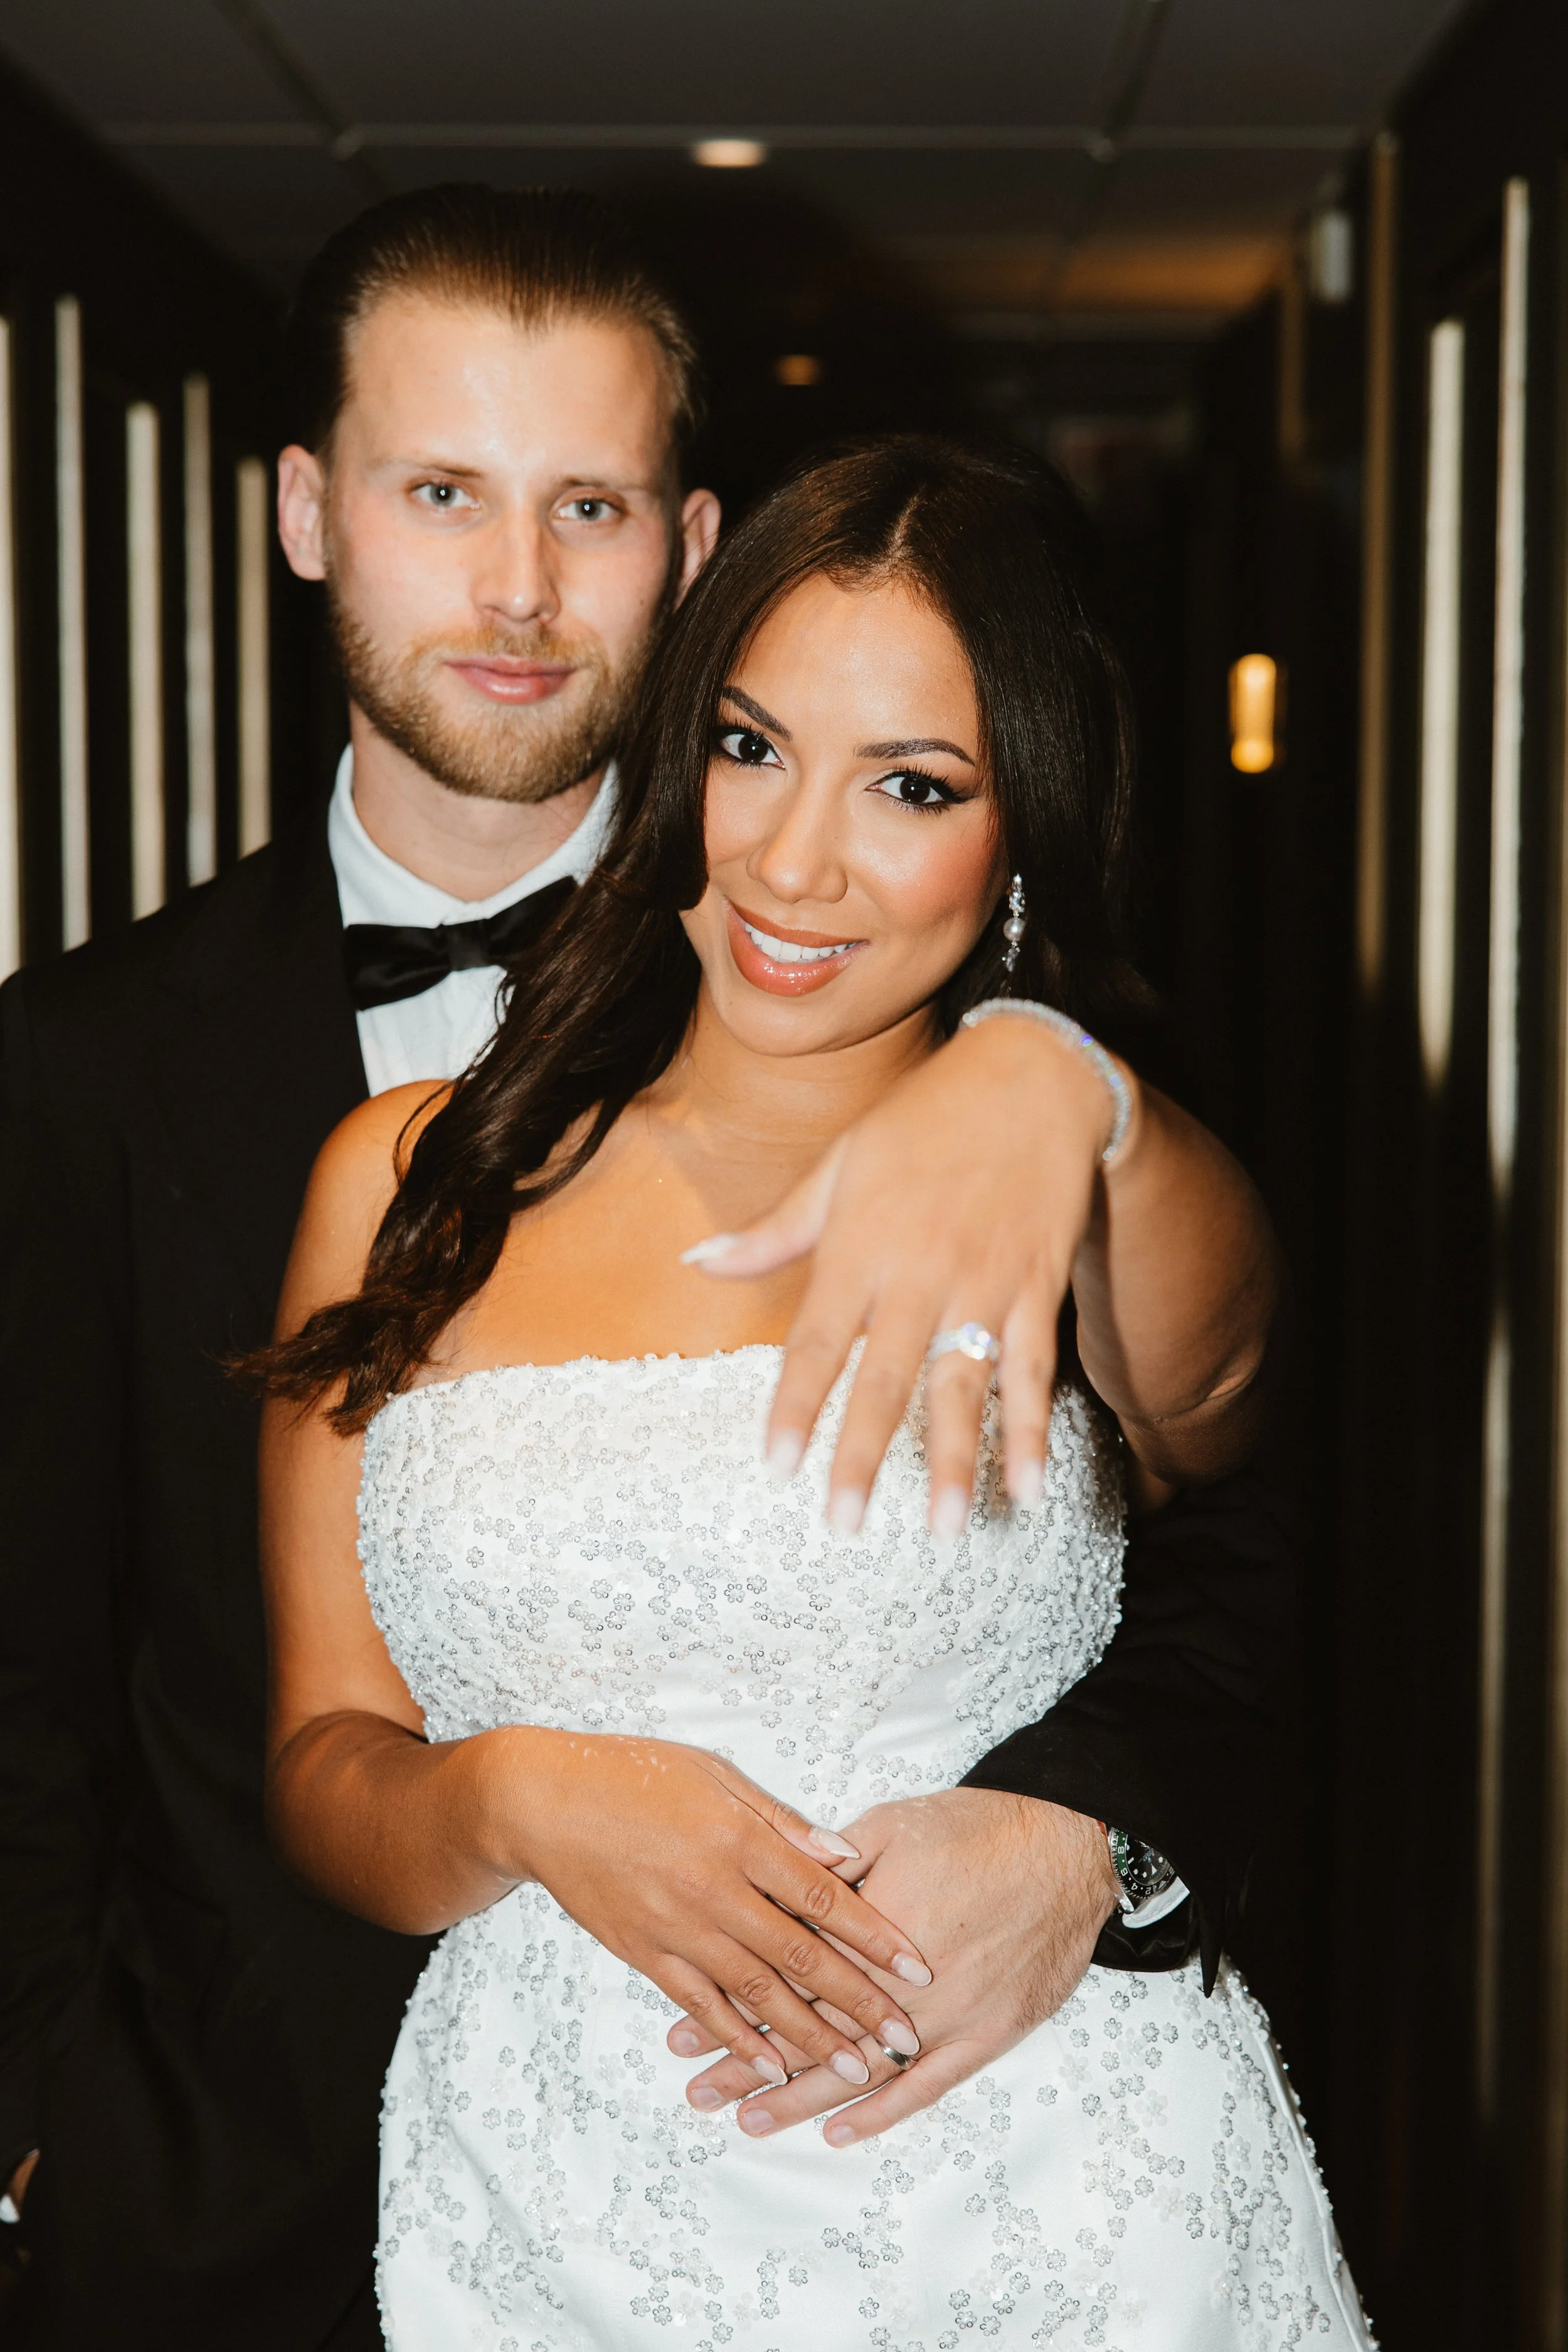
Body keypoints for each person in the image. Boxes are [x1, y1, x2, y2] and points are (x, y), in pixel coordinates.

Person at [0, 186, 1290, 2352]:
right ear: (310, 510)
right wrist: (39, 2132)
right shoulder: (85, 1071)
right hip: (249, 2199)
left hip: (1000, 2173)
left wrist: (1054, 1070)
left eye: (584, 504)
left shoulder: (1030, 1094)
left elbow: (1242, 1523)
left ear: (685, 551)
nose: (515, 589)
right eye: (442, 493)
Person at [254, 434, 1369, 2349]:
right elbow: (323, 1756)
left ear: (1021, 825)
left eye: (913, 785)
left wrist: (1063, 1088)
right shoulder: (402, 1180)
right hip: (545, 2208)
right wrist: (516, 1796)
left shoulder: (1091, 1177)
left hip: (1059, 2197)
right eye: (753, 747)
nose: (790, 858)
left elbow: (1240, 1393)